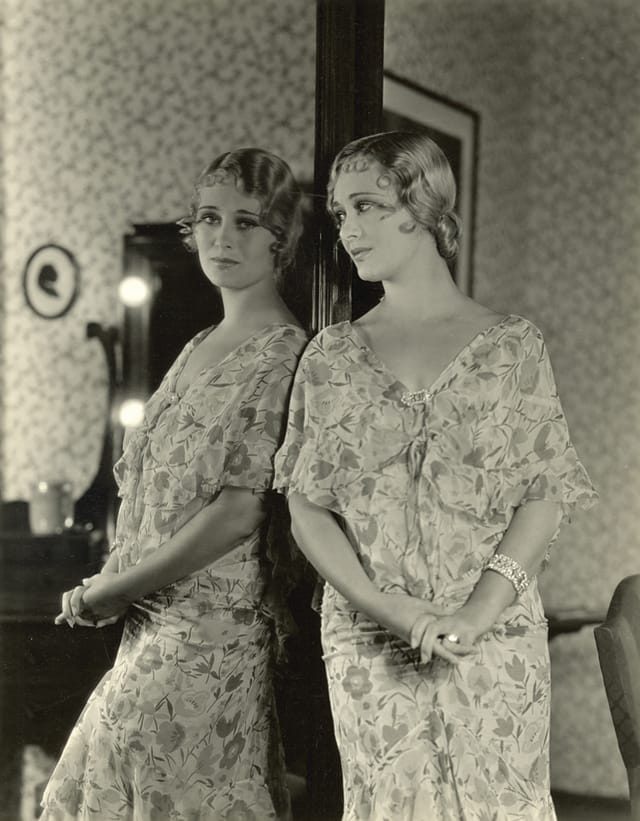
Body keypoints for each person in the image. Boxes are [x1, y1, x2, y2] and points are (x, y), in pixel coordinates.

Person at [274, 131, 598, 820]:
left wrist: (476, 615)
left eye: (365, 205)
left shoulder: (513, 347)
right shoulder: (331, 356)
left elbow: (543, 498)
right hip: (370, 639)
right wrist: (392, 609)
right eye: (339, 214)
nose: (348, 230)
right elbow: (306, 509)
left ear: (419, 204)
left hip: (495, 635)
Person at [41, 147, 309, 821]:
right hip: (147, 621)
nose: (223, 237)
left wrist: (116, 587)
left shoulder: (284, 354)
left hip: (210, 630)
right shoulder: (199, 343)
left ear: (281, 236)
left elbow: (238, 511)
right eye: (210, 218)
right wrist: (111, 580)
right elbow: (152, 491)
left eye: (247, 222)